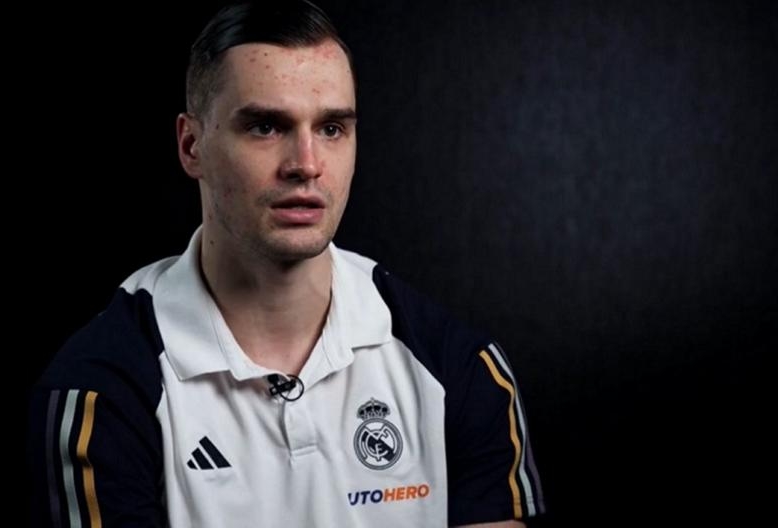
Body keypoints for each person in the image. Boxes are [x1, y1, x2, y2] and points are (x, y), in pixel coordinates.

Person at [28, 1, 545, 526]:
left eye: (332, 128)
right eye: (265, 127)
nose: (307, 164)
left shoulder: (457, 368)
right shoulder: (101, 391)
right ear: (191, 145)